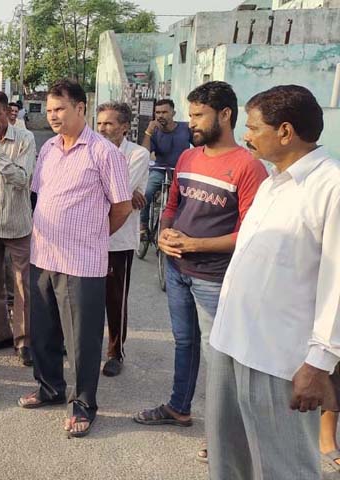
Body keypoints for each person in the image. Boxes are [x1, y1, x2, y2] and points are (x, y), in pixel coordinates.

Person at [207, 85, 340, 479]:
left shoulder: (330, 188)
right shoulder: (271, 182)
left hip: (278, 358)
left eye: (253, 127)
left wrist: (319, 363)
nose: (246, 135)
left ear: (285, 131)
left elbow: (337, 284)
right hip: (231, 342)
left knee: (283, 468)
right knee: (230, 459)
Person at [133, 82, 268, 464]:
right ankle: (179, 408)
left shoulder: (248, 167)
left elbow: (249, 233)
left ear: (224, 114)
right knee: (185, 344)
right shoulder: (190, 159)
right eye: (190, 115)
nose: (190, 123)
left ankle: (223, 437)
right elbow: (172, 203)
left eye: (197, 115)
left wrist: (196, 246)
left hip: (214, 278)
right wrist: (163, 233)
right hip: (178, 269)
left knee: (220, 359)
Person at [18, 79, 132, 438]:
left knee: (81, 338)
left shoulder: (103, 152)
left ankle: (83, 402)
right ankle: (50, 387)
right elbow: (40, 195)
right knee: (44, 330)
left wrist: (93, 236)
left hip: (82, 262)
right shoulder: (48, 148)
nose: (52, 116)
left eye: (59, 109)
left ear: (80, 108)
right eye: (49, 110)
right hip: (43, 255)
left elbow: (122, 206)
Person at [0, 90, 36, 367]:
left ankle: (23, 340)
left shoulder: (25, 139)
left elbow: (22, 179)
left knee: (22, 285)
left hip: (17, 224)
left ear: (8, 113)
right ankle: (0, 333)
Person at [96, 101, 150, 377]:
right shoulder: (90, 149)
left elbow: (116, 192)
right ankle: (84, 345)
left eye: (109, 123)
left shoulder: (138, 154)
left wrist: (125, 196)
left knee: (115, 299)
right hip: (87, 237)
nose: (103, 128)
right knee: (85, 296)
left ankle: (115, 352)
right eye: (100, 123)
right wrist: (125, 196)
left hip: (119, 239)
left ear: (125, 127)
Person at [139, 99, 191, 234]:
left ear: (173, 113)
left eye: (164, 112)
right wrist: (148, 132)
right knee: (146, 193)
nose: (160, 115)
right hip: (160, 169)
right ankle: (143, 224)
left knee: (188, 199)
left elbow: (200, 145)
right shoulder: (154, 131)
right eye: (158, 113)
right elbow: (144, 154)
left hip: (182, 172)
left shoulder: (185, 128)